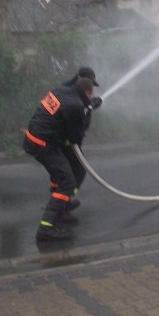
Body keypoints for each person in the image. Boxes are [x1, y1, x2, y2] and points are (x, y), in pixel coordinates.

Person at [23, 70, 102, 242]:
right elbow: (75, 137)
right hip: (42, 143)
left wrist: (86, 107)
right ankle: (45, 229)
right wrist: (88, 111)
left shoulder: (62, 90)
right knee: (67, 183)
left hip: (45, 138)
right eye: (91, 92)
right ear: (88, 92)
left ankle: (63, 206)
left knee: (78, 170)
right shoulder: (74, 106)